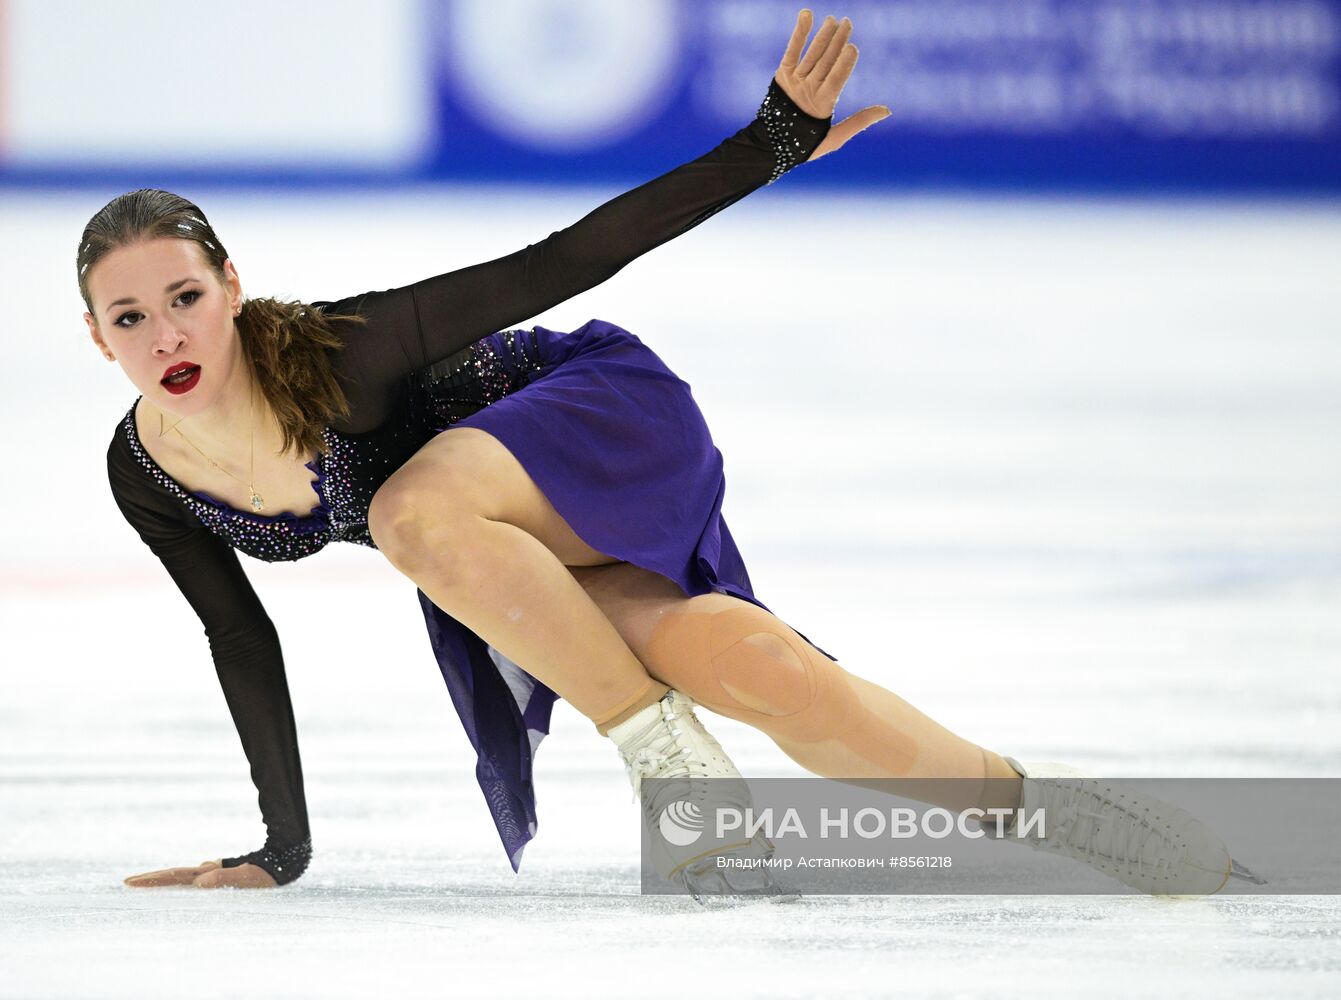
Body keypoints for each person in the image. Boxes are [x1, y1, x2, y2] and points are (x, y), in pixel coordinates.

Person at [87, 11, 1252, 899]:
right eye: (130, 317)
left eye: (184, 296)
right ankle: (1056, 809)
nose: (167, 335)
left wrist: (768, 146)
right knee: (760, 672)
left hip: (585, 422)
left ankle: (669, 771)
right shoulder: (148, 474)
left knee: (408, 515)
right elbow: (238, 633)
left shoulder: (343, 350)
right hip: (504, 554)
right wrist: (280, 851)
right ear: (96, 338)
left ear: (232, 287)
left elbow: (557, 263)